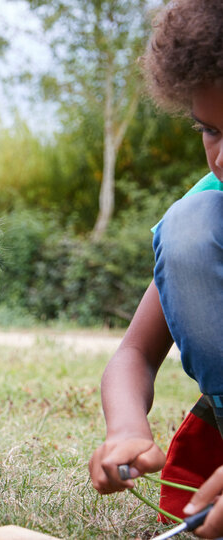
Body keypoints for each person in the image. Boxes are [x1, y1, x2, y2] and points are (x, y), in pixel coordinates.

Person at [88, 1, 223, 536]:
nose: (221, 160)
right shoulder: (209, 215)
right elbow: (135, 353)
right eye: (210, 130)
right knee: (188, 223)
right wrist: (126, 428)